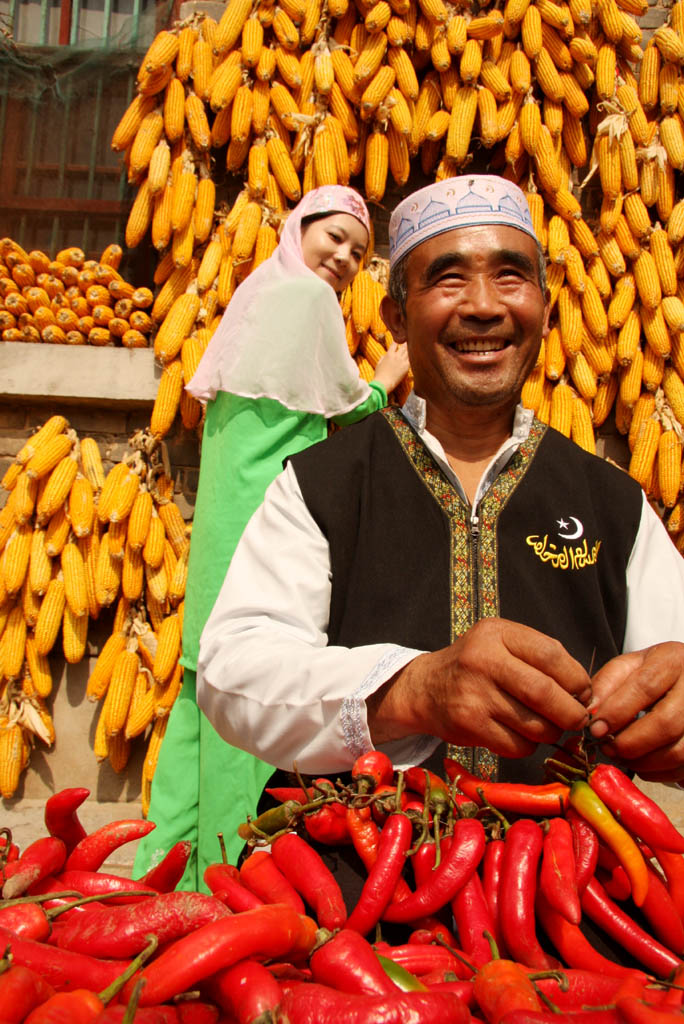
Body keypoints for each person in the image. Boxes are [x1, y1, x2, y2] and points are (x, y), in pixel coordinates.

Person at [195, 174, 684, 852]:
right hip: (357, 902)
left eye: (511, 277)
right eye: (447, 281)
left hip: (571, 903)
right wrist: (411, 689)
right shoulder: (324, 485)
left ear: (544, 305)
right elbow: (233, 673)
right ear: (396, 317)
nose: (483, 307)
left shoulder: (613, 504)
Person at [134, 186, 410, 890]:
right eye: (335, 238)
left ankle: (156, 876)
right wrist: (385, 378)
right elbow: (347, 406)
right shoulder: (309, 301)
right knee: (248, 711)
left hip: (223, 518)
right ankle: (223, 881)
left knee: (202, 697)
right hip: (264, 520)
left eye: (358, 251)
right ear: (300, 229)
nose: (345, 258)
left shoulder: (262, 288)